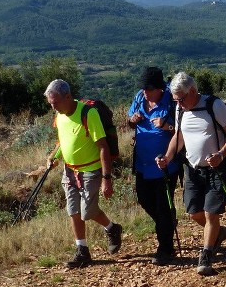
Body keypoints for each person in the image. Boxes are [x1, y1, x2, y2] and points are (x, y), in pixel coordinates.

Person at [157, 71, 226, 277]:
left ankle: (206, 256)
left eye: (181, 98)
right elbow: (179, 136)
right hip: (192, 169)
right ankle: (217, 234)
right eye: (176, 99)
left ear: (193, 91)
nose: (178, 103)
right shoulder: (180, 109)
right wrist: (167, 157)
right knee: (194, 212)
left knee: (210, 213)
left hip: (216, 169)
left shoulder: (215, 105)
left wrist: (221, 154)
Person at [44, 79, 123, 268]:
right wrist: (53, 157)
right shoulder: (60, 115)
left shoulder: (89, 113)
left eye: (55, 103)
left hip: (91, 171)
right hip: (70, 170)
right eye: (50, 104)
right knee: (74, 210)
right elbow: (63, 142)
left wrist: (107, 179)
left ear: (68, 96)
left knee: (88, 212)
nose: (53, 107)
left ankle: (112, 228)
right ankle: (82, 250)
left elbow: (103, 147)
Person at [127, 67, 180, 266]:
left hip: (166, 164)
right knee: (144, 199)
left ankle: (165, 248)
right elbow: (130, 121)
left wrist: (167, 126)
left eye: (149, 89)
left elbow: (183, 130)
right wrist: (132, 120)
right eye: (143, 88)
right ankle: (167, 222)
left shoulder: (172, 101)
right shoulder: (139, 98)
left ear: (160, 88)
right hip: (142, 164)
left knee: (162, 206)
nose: (145, 92)